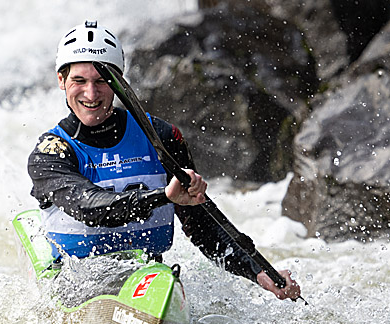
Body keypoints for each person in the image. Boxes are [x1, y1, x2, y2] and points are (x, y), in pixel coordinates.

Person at [27, 20, 301, 301]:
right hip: (75, 285)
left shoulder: (162, 137)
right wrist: (163, 197)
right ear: (61, 80)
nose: (91, 93)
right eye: (79, 81)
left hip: (145, 282)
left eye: (101, 81)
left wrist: (257, 272)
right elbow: (88, 207)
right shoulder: (50, 153)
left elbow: (202, 225)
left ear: (119, 82)